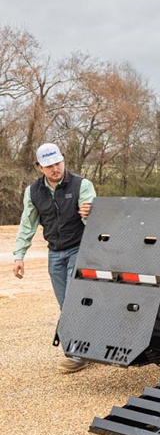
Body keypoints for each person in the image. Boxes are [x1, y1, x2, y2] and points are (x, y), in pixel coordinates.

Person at [12, 143, 96, 373]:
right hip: (55, 253)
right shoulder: (33, 191)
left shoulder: (82, 185)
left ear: (63, 160)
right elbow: (27, 224)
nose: (55, 169)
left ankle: (76, 353)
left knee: (71, 301)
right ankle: (88, 346)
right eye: (49, 166)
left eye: (58, 163)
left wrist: (92, 212)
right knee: (64, 304)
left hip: (80, 249)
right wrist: (19, 255)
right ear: (39, 167)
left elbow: (94, 220)